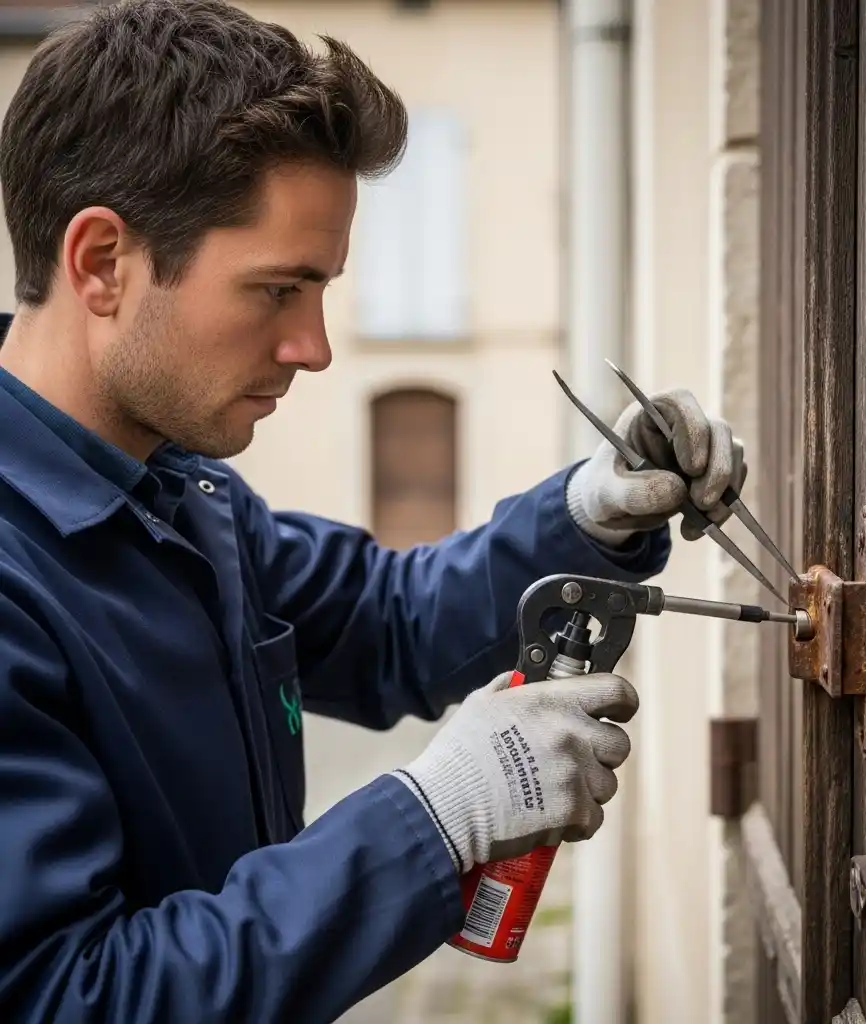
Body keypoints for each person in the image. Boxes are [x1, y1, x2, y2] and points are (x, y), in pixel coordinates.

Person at [0, 1, 748, 1020]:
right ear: (101, 263)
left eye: (323, 291)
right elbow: (68, 997)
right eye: (276, 289)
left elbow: (386, 620)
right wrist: (431, 822)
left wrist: (591, 515)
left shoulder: (180, 493)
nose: (314, 346)